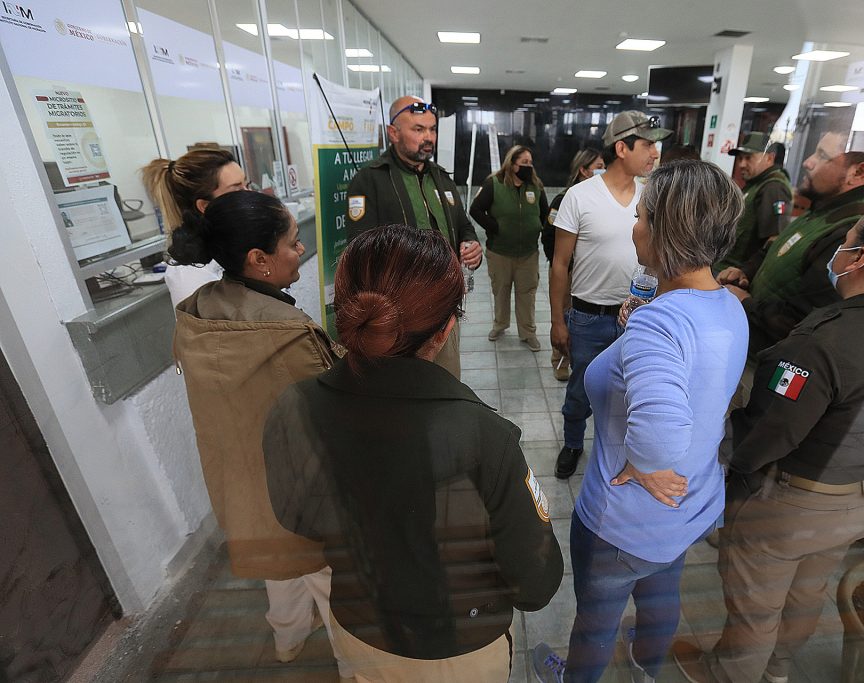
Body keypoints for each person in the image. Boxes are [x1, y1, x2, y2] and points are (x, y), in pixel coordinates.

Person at [673, 198, 864, 683]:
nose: (840, 249)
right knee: (804, 595)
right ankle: (778, 671)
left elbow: (760, 440)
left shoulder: (821, 345)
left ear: (861, 259)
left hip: (790, 508)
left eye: (847, 240)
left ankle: (726, 675)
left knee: (756, 608)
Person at [261, 225, 563, 682]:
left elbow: (295, 518)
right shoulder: (484, 436)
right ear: (444, 330)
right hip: (459, 651)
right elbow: (535, 582)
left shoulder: (294, 405)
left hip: (359, 632)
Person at [531, 160, 749, 683]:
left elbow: (659, 436)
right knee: (661, 593)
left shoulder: (662, 324)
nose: (635, 226)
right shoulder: (726, 304)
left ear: (665, 231)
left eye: (643, 217)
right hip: (688, 504)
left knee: (595, 622)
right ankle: (646, 667)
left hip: (625, 520)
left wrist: (647, 462)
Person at [170, 191, 349, 674]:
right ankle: (354, 665)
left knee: (277, 564)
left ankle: (288, 640)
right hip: (299, 491)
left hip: (243, 480)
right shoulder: (287, 333)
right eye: (293, 243)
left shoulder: (196, 312)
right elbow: (332, 414)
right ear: (259, 260)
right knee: (335, 585)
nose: (303, 250)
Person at [549, 111, 672, 479]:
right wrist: (558, 321)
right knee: (580, 392)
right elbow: (559, 264)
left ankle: (614, 451)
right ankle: (572, 444)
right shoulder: (579, 196)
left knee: (628, 394)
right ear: (622, 147)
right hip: (588, 317)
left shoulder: (651, 196)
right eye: (648, 144)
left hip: (638, 317)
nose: (655, 152)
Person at [344, 95, 483, 379]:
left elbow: (462, 224)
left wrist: (471, 244)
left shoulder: (440, 177)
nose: (428, 137)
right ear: (393, 133)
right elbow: (360, 249)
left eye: (431, 129)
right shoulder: (370, 180)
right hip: (398, 315)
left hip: (445, 305)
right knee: (404, 388)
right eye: (418, 129)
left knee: (445, 380)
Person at [718, 130, 864, 355]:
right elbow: (778, 247)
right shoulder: (824, 209)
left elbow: (805, 316)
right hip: (753, 334)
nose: (808, 162)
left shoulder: (853, 229)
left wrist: (745, 302)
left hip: (776, 355)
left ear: (858, 172)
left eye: (822, 155)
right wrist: (746, 271)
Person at [141, 148, 250, 305]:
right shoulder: (190, 274)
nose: (250, 195)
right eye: (237, 189)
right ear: (205, 205)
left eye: (246, 184)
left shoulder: (237, 239)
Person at [470, 145, 550, 351]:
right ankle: (500, 325)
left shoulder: (536, 186)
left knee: (527, 293)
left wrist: (537, 228)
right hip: (500, 252)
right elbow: (475, 209)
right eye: (524, 163)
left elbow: (545, 214)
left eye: (530, 163)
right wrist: (495, 227)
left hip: (528, 254)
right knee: (501, 290)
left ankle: (528, 333)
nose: (528, 167)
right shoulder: (493, 184)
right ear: (512, 164)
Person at [543, 148, 605, 381]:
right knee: (563, 315)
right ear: (583, 170)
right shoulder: (565, 199)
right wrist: (563, 266)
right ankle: (560, 360)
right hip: (567, 272)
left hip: (590, 274)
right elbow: (548, 236)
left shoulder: (603, 200)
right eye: (598, 166)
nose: (603, 170)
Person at [718, 132, 793, 270]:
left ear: (770, 158)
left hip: (736, 270)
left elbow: (774, 239)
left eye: (748, 158)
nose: (741, 164)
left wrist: (746, 272)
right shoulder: (755, 184)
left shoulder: (773, 187)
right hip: (726, 263)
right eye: (740, 158)